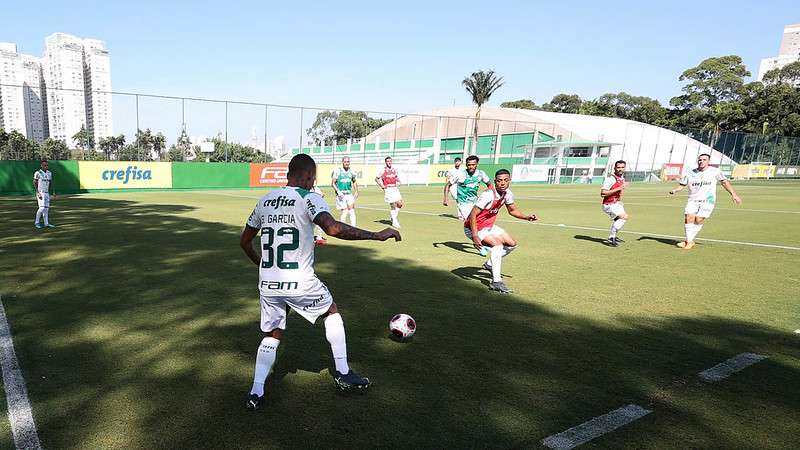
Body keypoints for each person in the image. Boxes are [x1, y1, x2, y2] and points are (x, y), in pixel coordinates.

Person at [240, 154, 401, 411]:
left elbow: (244, 241)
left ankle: (256, 391)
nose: (313, 181)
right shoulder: (309, 197)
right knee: (331, 311)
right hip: (300, 282)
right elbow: (334, 229)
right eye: (313, 177)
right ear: (306, 176)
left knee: (273, 334)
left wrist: (262, 265)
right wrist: (376, 236)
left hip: (269, 283)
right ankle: (343, 372)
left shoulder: (265, 200)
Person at [466, 169, 538, 294]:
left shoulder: (508, 193)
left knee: (512, 244)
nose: (502, 183)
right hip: (474, 227)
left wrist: (527, 217)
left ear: (509, 181)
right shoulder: (488, 195)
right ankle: (496, 282)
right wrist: (475, 235)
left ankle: (489, 264)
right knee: (497, 245)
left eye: (505, 180)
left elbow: (512, 210)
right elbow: (472, 215)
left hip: (488, 226)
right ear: (495, 182)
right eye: (499, 181)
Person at [669, 153, 741, 249]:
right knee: (689, 217)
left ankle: (688, 241)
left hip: (708, 200)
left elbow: (724, 182)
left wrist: (734, 194)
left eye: (704, 160)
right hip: (693, 199)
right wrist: (675, 190)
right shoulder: (690, 172)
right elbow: (682, 185)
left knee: (699, 219)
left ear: (708, 161)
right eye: (700, 160)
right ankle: (689, 241)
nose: (701, 161)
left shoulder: (715, 171)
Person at [446, 155, 492, 220]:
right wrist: (446, 198)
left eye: (473, 165)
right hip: (463, 203)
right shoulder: (461, 174)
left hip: (476, 202)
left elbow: (490, 185)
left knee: (480, 220)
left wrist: (490, 194)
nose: (471, 167)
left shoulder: (481, 174)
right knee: (471, 220)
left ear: (477, 164)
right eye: (469, 165)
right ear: (466, 165)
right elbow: (448, 185)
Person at [600, 160, 629, 246]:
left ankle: (614, 236)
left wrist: (619, 200)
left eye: (622, 167)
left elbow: (620, 191)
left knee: (619, 219)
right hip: (608, 204)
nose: (620, 169)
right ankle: (611, 237)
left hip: (616, 203)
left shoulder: (621, 178)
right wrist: (619, 188)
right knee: (624, 217)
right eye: (618, 167)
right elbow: (603, 193)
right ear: (615, 168)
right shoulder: (611, 179)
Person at [375, 156, 402, 228]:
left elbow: (396, 178)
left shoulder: (394, 170)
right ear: (385, 162)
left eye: (390, 161)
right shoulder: (383, 170)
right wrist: (382, 186)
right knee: (393, 205)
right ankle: (395, 222)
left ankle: (393, 217)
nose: (389, 162)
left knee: (400, 204)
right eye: (388, 161)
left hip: (395, 188)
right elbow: (376, 178)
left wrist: (399, 182)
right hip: (388, 189)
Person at [331, 157, 358, 226]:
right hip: (341, 195)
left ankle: (354, 227)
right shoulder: (338, 171)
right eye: (345, 161)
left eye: (348, 162)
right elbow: (333, 183)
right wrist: (338, 191)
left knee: (352, 211)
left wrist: (356, 191)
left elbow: (354, 181)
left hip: (349, 194)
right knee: (345, 211)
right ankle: (342, 228)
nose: (346, 163)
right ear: (342, 162)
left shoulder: (352, 172)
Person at [33, 159, 55, 229]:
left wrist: (53, 192)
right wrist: (37, 192)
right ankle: (37, 222)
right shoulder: (38, 173)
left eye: (47, 165)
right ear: (41, 166)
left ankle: (46, 223)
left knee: (46, 209)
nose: (46, 166)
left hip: (47, 193)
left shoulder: (49, 173)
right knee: (42, 208)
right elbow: (34, 182)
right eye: (44, 165)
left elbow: (51, 182)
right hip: (41, 192)